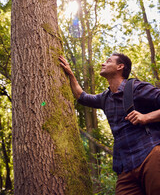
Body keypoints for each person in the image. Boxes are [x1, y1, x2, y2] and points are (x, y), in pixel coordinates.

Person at [59, 53, 160, 195]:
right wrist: (70, 73)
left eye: (108, 61)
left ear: (120, 66)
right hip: (124, 168)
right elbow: (81, 96)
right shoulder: (105, 97)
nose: (103, 64)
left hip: (150, 155)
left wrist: (147, 117)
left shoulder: (136, 87)